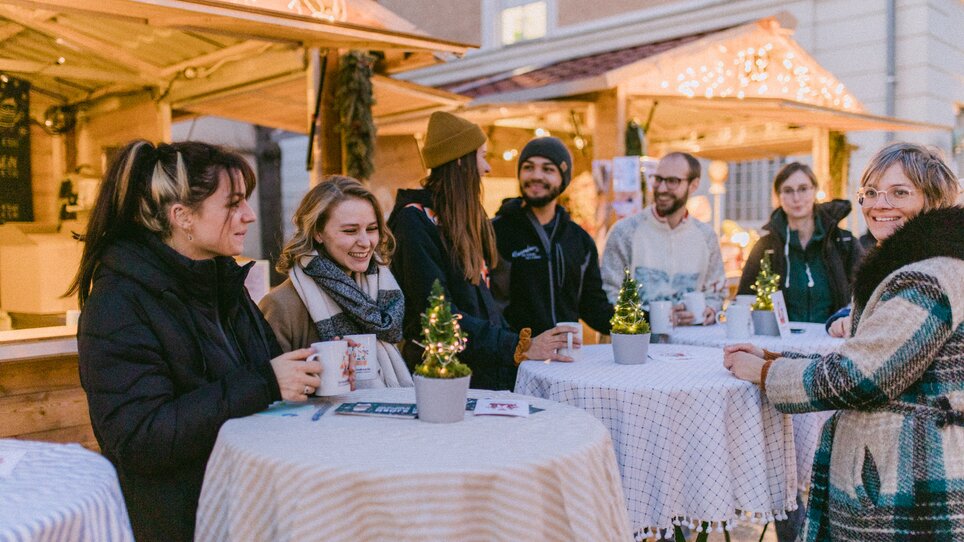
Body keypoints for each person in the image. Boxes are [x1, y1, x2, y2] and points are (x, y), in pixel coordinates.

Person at [68, 141, 324, 541]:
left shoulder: (222, 283)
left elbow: (264, 376)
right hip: (178, 522)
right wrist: (266, 382)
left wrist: (301, 374)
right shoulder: (118, 305)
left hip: (244, 506)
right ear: (182, 216)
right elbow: (140, 439)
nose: (249, 215)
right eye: (233, 204)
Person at [724, 142, 964, 541]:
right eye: (870, 192)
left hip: (908, 477)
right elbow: (872, 355)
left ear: (934, 199)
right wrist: (777, 356)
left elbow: (860, 377)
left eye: (899, 192)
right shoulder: (920, 263)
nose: (878, 203)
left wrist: (768, 373)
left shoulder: (925, 277)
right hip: (906, 470)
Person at [388, 111, 574, 390]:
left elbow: (485, 306)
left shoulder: (461, 220)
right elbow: (438, 315)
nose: (487, 167)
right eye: (482, 155)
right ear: (461, 161)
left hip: (484, 374)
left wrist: (515, 348)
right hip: (444, 379)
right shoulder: (414, 222)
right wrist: (517, 346)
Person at [260, 175, 413, 388]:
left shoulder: (384, 291)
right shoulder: (281, 305)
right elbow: (269, 391)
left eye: (371, 229)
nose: (365, 242)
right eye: (350, 231)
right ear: (318, 233)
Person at [491, 136, 613, 336]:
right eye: (528, 167)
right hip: (514, 359)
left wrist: (644, 320)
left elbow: (594, 309)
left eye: (548, 169)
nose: (536, 176)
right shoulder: (495, 232)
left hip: (565, 358)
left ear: (562, 179)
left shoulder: (579, 240)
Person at [601, 151, 726, 325]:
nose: (661, 188)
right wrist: (650, 319)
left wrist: (709, 310)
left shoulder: (707, 236)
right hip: (636, 345)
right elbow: (608, 293)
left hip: (691, 346)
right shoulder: (624, 232)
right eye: (658, 179)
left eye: (672, 181)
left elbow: (717, 293)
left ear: (693, 185)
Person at [737, 162, 862, 324]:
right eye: (788, 191)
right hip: (779, 344)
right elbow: (744, 298)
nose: (796, 198)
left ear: (814, 191)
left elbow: (867, 295)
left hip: (832, 340)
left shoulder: (843, 242)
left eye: (803, 189)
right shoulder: (765, 247)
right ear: (778, 196)